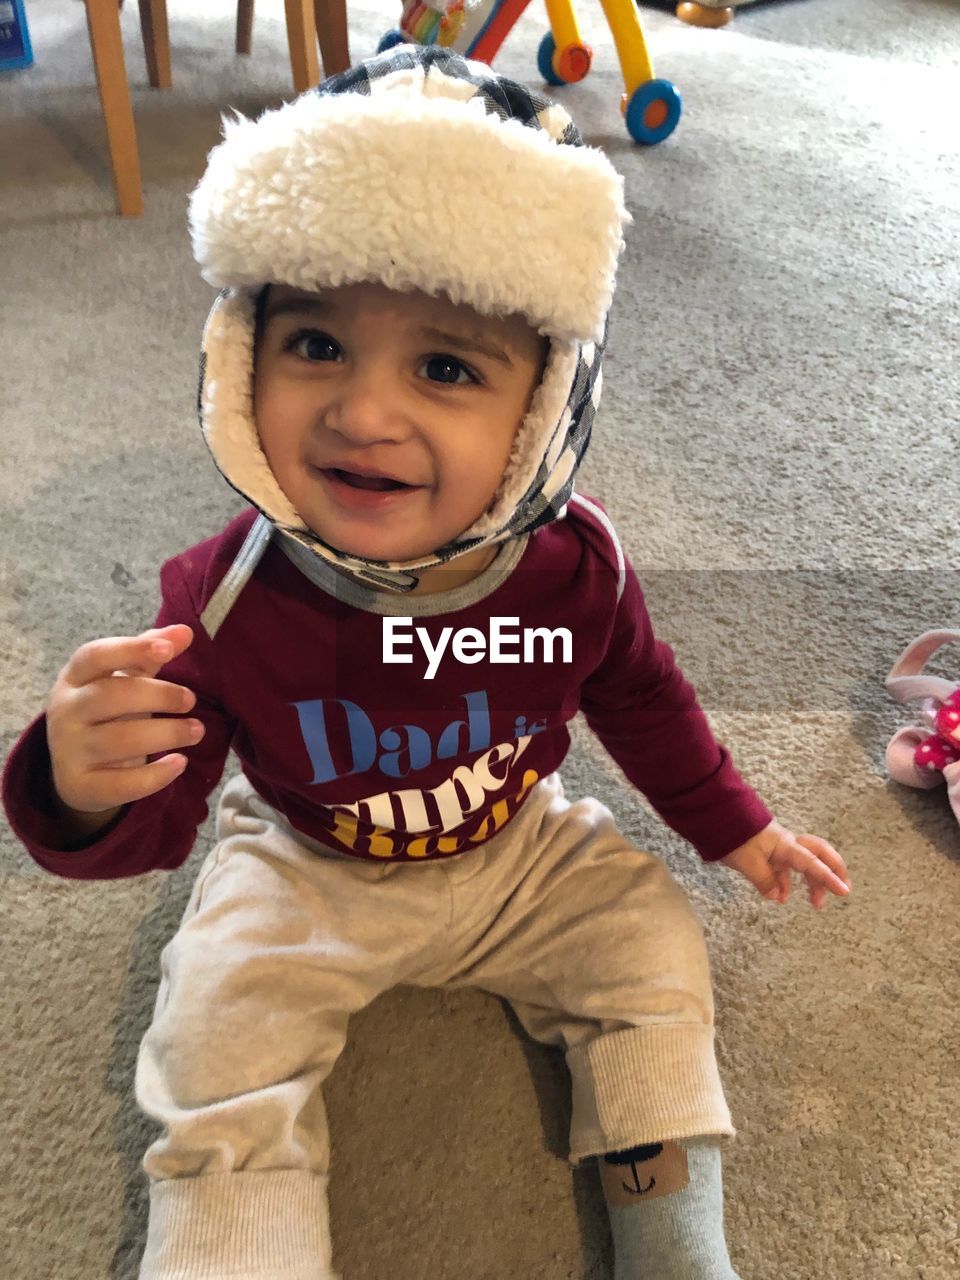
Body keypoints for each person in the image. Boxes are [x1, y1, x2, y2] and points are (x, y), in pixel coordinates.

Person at [1, 46, 852, 1280]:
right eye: (315, 346)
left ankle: (672, 1229)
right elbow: (159, 821)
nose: (363, 413)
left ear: (545, 408)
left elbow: (638, 689)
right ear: (241, 359)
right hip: (307, 857)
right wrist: (83, 781)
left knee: (653, 938)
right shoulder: (221, 597)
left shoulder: (578, 568)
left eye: (446, 366)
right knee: (210, 1026)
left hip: (519, 846)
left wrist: (734, 824)